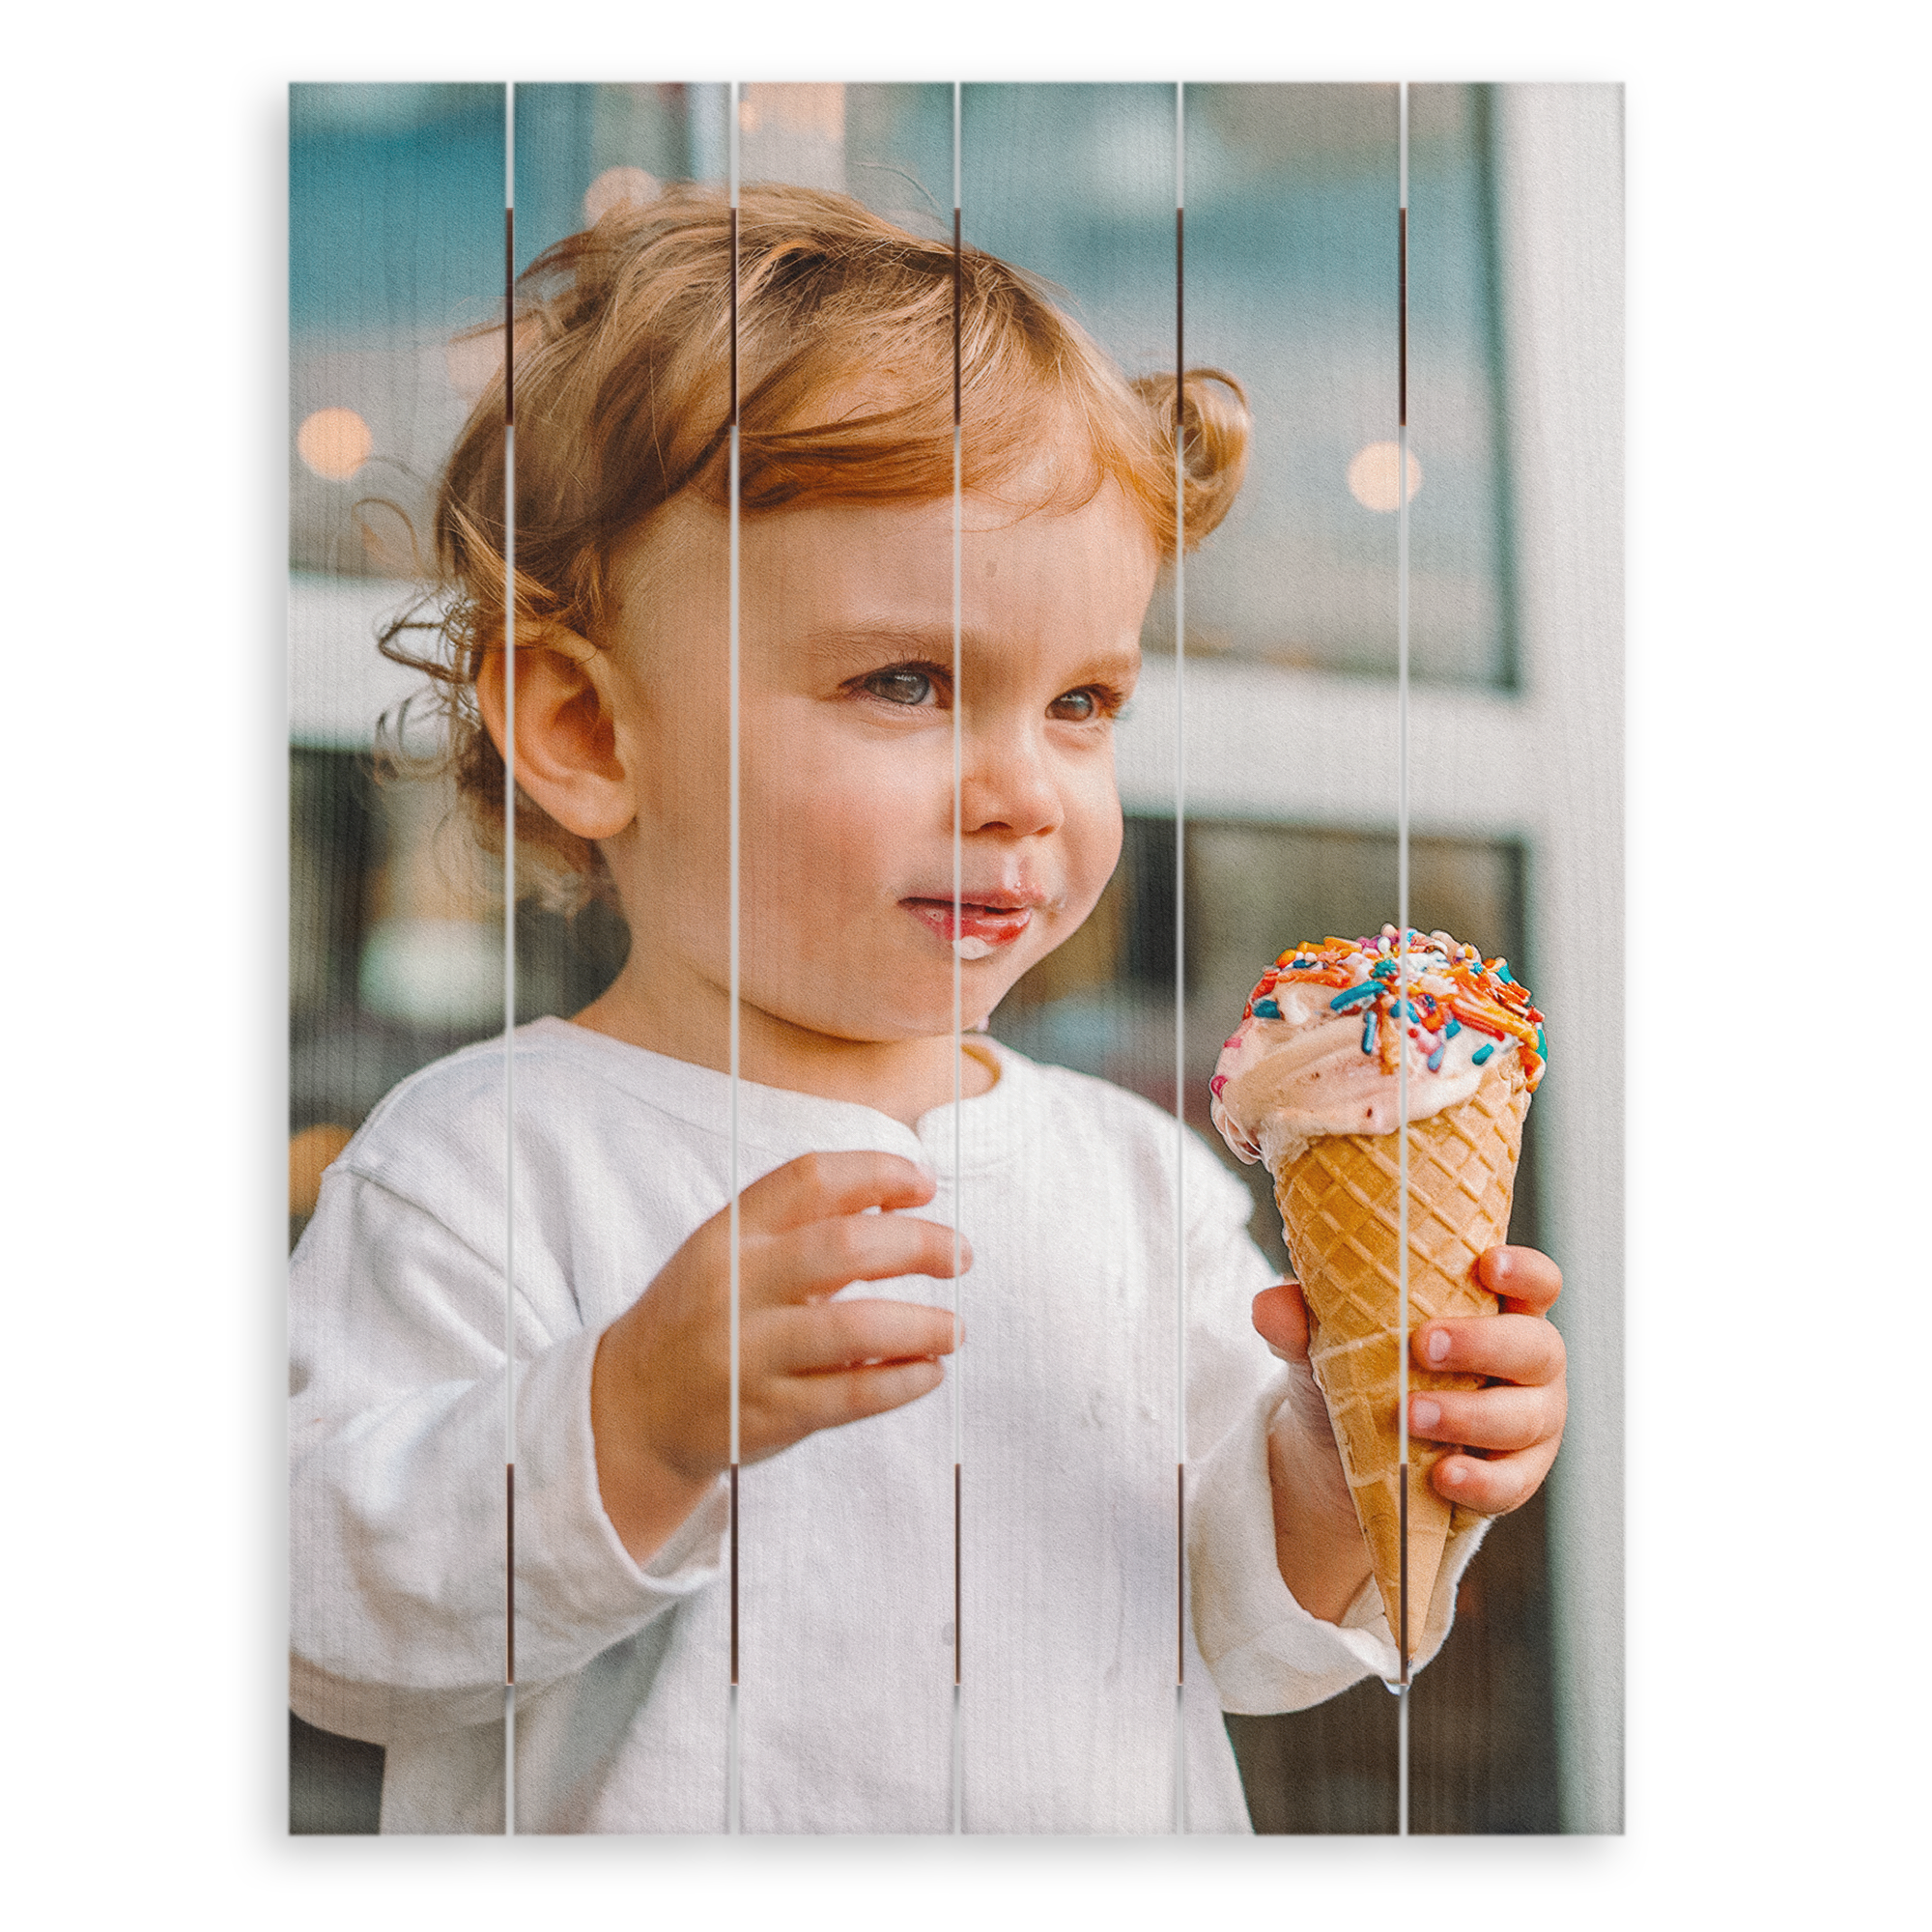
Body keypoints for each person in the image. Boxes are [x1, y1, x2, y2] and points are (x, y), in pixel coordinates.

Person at [288, 184, 1567, 1836]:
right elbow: (329, 1636)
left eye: (1085, 701)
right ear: (589, 732)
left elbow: (1251, 1638)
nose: (1024, 791)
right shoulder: (478, 1164)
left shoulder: (1145, 1180)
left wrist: (1349, 1467)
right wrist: (631, 1423)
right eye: (906, 681)